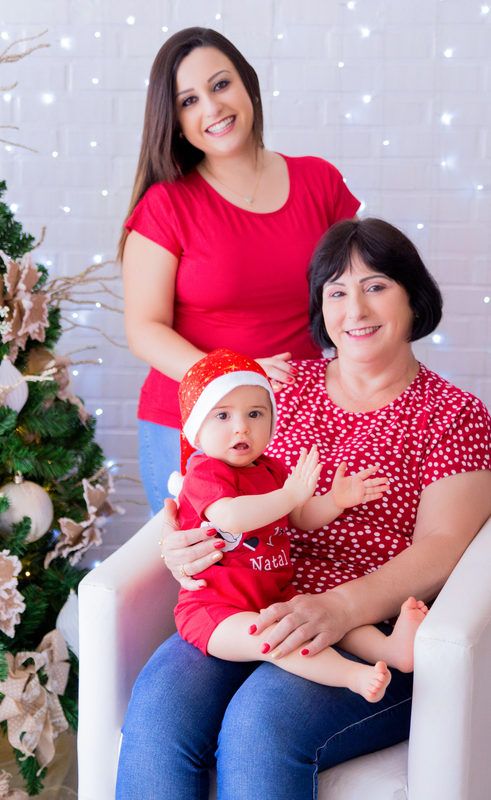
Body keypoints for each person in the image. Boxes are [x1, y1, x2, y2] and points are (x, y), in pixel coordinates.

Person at [115, 218, 491, 799]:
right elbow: (209, 490)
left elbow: (444, 548)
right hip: (249, 602)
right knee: (158, 710)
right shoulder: (274, 391)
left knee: (259, 726)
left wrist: (340, 606)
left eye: (376, 286)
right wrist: (180, 545)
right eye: (337, 291)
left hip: (370, 633)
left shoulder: (453, 414)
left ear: (413, 296)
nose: (356, 309)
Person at [121, 27, 362, 514]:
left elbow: (354, 300)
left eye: (220, 85)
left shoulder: (320, 182)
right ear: (176, 123)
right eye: (188, 100)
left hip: (301, 419)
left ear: (248, 86)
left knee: (288, 573)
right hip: (190, 428)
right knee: (208, 582)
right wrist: (236, 374)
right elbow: (144, 331)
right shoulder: (166, 205)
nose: (211, 108)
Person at [172, 348, 427, 703]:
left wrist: (335, 501)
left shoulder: (271, 469)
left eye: (255, 414)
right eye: (223, 416)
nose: (241, 426)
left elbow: (301, 518)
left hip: (274, 593)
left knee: (324, 618)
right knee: (272, 638)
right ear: (196, 431)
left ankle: (391, 647)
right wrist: (290, 494)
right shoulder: (205, 472)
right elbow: (230, 516)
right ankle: (351, 675)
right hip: (214, 608)